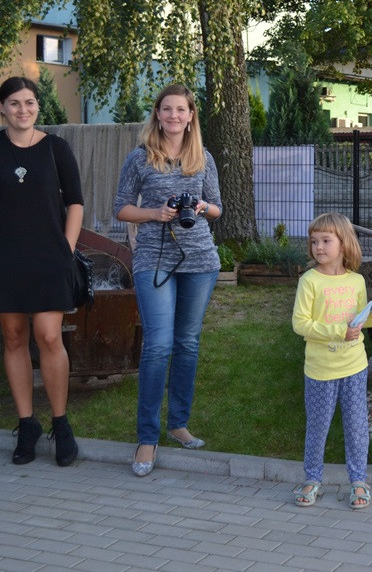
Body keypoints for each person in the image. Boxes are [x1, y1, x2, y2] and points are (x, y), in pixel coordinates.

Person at [0, 76, 83, 467]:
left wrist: (66, 248)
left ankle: (61, 424)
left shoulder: (56, 148)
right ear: (2, 107)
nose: (23, 109)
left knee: (48, 335)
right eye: (14, 103)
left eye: (29, 102)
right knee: (14, 337)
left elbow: (76, 203)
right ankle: (27, 424)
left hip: (49, 258)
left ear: (37, 106)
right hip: (2, 259)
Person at [114, 84, 222, 477]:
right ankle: (147, 436)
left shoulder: (203, 157)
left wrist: (202, 206)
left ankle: (178, 424)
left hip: (200, 262)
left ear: (191, 116)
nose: (174, 116)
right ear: (157, 115)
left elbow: (218, 208)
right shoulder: (140, 157)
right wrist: (155, 213)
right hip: (153, 260)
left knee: (187, 343)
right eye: (167, 109)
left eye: (181, 110)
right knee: (158, 345)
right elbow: (121, 208)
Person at [291, 213, 372, 508]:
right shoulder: (309, 281)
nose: (318, 247)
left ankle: (359, 481)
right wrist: (339, 331)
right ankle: (312, 479)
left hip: (355, 368)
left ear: (344, 244)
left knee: (357, 427)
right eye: (314, 241)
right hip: (320, 370)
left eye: (326, 240)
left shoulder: (356, 280)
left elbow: (358, 322)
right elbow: (300, 323)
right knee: (317, 427)